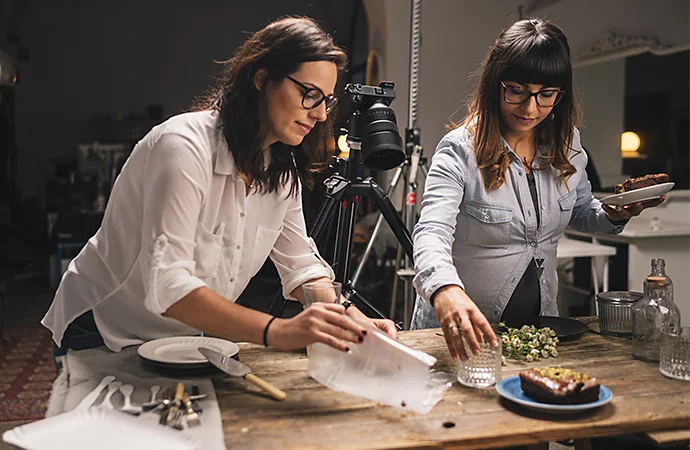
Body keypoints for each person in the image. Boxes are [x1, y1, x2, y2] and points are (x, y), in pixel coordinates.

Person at [42, 16, 397, 358]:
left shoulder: (280, 170)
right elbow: (169, 284)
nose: (320, 115)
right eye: (309, 94)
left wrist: (349, 321)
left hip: (180, 334)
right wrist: (278, 332)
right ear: (261, 78)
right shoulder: (183, 146)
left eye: (328, 101)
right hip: (100, 327)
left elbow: (302, 265)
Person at [411, 18, 664, 361]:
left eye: (546, 95)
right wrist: (445, 290)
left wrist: (613, 213)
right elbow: (431, 232)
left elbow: (580, 210)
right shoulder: (460, 150)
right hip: (462, 335)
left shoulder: (568, 144)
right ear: (494, 85)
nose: (531, 109)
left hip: (539, 332)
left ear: (560, 93)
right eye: (516, 90)